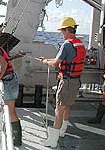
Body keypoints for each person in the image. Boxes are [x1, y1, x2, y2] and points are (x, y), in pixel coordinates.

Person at [37, 17, 86, 147]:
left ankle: (53, 141)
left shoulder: (66, 44)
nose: (61, 33)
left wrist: (45, 61)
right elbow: (66, 60)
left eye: (62, 31)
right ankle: (62, 131)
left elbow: (55, 63)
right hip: (75, 81)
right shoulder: (79, 43)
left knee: (59, 110)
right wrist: (48, 59)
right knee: (67, 106)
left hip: (66, 82)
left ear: (67, 30)